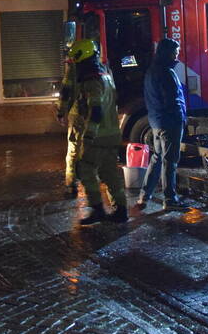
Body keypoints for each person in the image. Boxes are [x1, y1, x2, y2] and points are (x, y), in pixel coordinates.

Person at [66, 38, 128, 225]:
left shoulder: (91, 80)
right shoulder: (105, 74)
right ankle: (121, 211)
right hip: (112, 133)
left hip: (98, 136)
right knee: (109, 172)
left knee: (84, 169)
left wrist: (89, 134)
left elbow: (96, 109)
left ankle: (98, 209)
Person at [137, 38, 187, 211]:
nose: (177, 55)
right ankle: (170, 199)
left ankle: (145, 195)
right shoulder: (166, 72)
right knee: (170, 161)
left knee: (157, 158)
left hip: (156, 121)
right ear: (168, 53)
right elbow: (173, 99)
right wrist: (180, 118)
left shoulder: (152, 70)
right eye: (175, 52)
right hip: (170, 122)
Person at [55, 60, 81, 198]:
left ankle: (71, 187)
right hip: (96, 117)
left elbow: (65, 92)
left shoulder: (73, 69)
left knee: (73, 153)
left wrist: (60, 112)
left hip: (77, 116)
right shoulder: (102, 67)